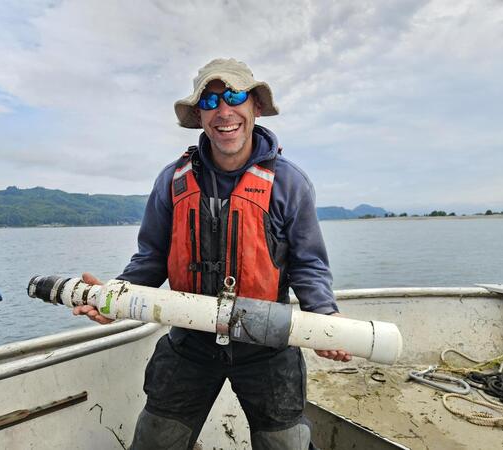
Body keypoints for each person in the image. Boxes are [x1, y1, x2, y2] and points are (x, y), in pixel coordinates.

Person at [74, 58, 351, 450]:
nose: (224, 111)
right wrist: (114, 297)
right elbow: (151, 257)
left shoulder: (290, 182)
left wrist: (325, 317)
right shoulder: (172, 180)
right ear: (200, 115)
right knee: (155, 441)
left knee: (286, 444)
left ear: (255, 105)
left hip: (267, 346)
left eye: (235, 96)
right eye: (210, 101)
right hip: (190, 341)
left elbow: (308, 264)